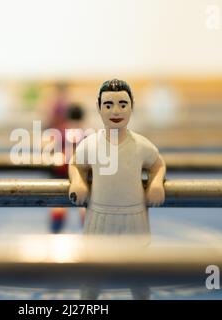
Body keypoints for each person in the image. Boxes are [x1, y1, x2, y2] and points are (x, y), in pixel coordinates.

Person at [68, 79, 166, 299]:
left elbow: (158, 164)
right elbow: (75, 164)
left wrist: (156, 183)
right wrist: (78, 182)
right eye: (109, 105)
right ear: (99, 107)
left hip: (133, 217)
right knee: (92, 280)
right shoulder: (91, 144)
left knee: (138, 280)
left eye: (123, 104)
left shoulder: (141, 145)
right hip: (99, 216)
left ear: (132, 106)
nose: (116, 111)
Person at [49, 103, 86, 233]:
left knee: (58, 206)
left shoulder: (60, 131)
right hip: (81, 175)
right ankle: (90, 239)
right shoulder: (87, 133)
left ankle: (55, 235)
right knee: (85, 206)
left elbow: (49, 150)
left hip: (61, 173)